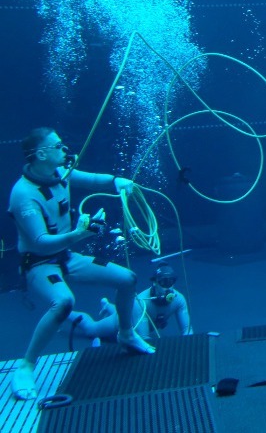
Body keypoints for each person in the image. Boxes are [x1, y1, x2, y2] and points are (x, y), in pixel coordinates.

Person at [7, 127, 155, 401]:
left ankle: (125, 334)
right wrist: (78, 234)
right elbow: (39, 242)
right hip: (40, 265)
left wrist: (116, 181)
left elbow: (95, 180)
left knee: (127, 279)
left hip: (67, 258)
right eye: (58, 146)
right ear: (41, 153)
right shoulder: (24, 194)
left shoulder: (60, 175)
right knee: (63, 302)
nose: (65, 150)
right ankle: (26, 365)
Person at [67, 262, 193, 342]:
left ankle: (107, 305)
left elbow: (187, 330)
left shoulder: (179, 300)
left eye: (171, 282)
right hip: (121, 322)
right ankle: (67, 312)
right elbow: (145, 339)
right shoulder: (141, 303)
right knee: (91, 330)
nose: (168, 287)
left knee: (125, 309)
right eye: (164, 282)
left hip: (134, 314)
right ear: (154, 282)